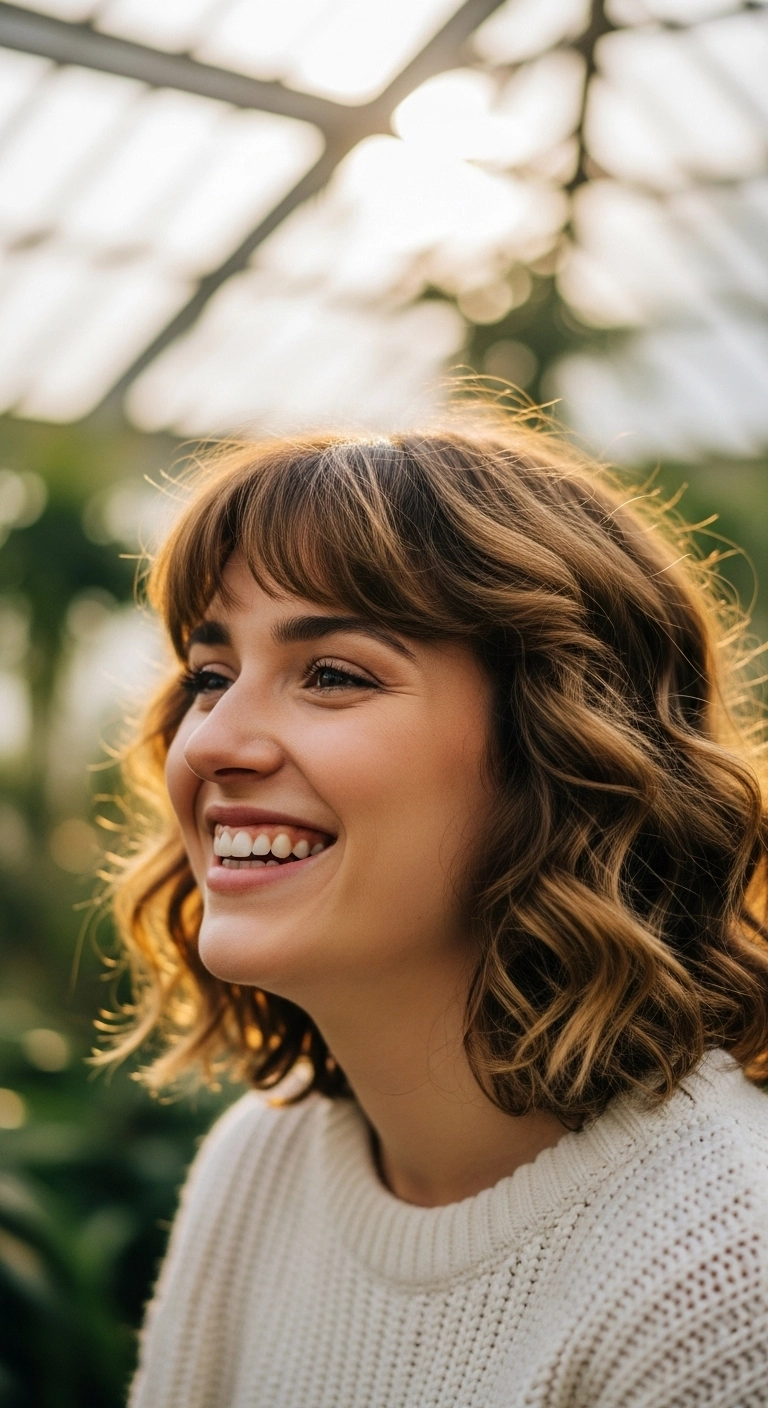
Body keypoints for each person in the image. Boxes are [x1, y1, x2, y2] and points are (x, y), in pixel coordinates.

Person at [107, 422, 768, 1408]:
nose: (213, 744)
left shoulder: (720, 1283)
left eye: (331, 673)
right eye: (211, 676)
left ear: (559, 753)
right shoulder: (262, 1164)